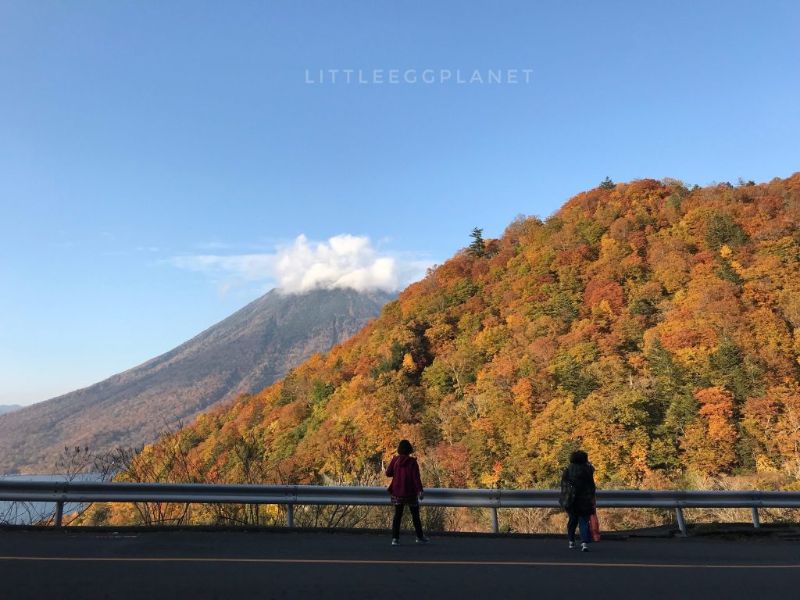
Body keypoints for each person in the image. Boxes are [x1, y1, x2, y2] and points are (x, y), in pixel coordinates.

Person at [385, 439, 428, 546]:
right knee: (415, 515)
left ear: (399, 449)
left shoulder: (395, 460)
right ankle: (419, 537)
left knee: (397, 516)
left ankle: (395, 539)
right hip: (410, 493)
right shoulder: (412, 462)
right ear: (409, 449)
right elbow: (416, 478)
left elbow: (388, 473)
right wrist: (420, 491)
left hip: (397, 493)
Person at [560, 450, 596, 552]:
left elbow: (563, 484)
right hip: (585, 500)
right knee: (584, 521)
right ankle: (584, 543)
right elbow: (591, 486)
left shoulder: (568, 470)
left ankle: (571, 541)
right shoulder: (588, 470)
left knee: (572, 520)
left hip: (571, 500)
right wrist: (591, 497)